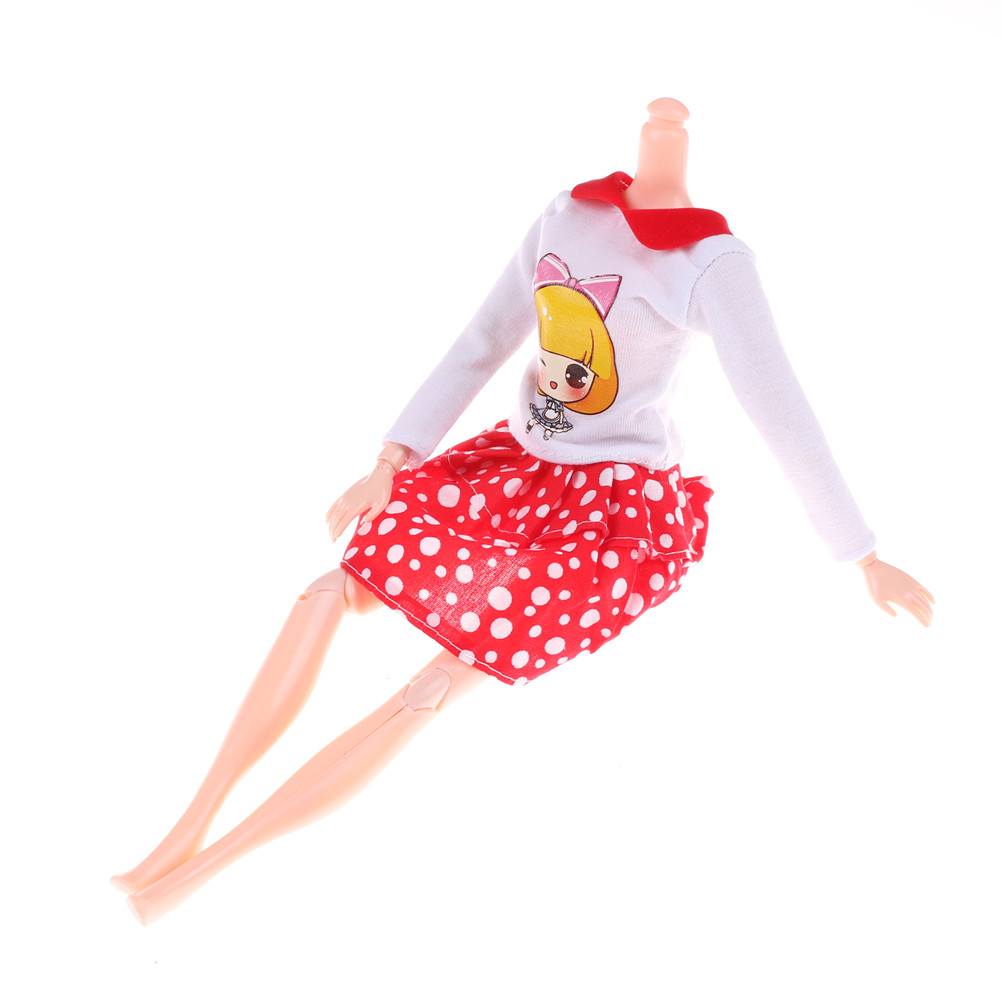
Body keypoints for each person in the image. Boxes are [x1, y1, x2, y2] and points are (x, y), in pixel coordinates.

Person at [113, 98, 933, 925]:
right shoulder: (569, 214)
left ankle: (196, 875)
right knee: (333, 585)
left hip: (612, 520)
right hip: (513, 471)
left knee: (434, 682)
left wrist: (861, 553)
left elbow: (778, 406)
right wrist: (390, 461)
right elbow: (484, 339)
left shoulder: (710, 262)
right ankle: (184, 831)